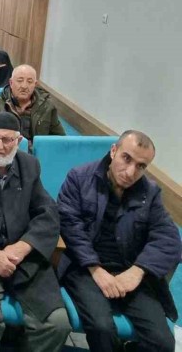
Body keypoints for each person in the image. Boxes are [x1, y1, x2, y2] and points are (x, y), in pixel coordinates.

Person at [0, 112, 70, 352]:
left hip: (23, 257)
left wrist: (24, 246)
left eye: (7, 140)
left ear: (19, 141)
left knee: (58, 323)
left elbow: (48, 212)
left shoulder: (30, 166)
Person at [58, 131, 180, 352]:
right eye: (126, 158)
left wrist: (137, 271)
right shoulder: (79, 178)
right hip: (84, 269)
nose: (131, 172)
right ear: (113, 151)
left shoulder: (150, 193)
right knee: (102, 328)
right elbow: (70, 227)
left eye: (141, 166)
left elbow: (168, 238)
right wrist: (96, 269)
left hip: (128, 270)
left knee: (163, 342)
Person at [0, 65, 65, 144]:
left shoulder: (47, 106)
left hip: (36, 150)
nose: (24, 86)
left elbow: (60, 139)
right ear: (11, 83)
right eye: (20, 81)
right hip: (8, 149)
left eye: (29, 82)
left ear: (35, 84)